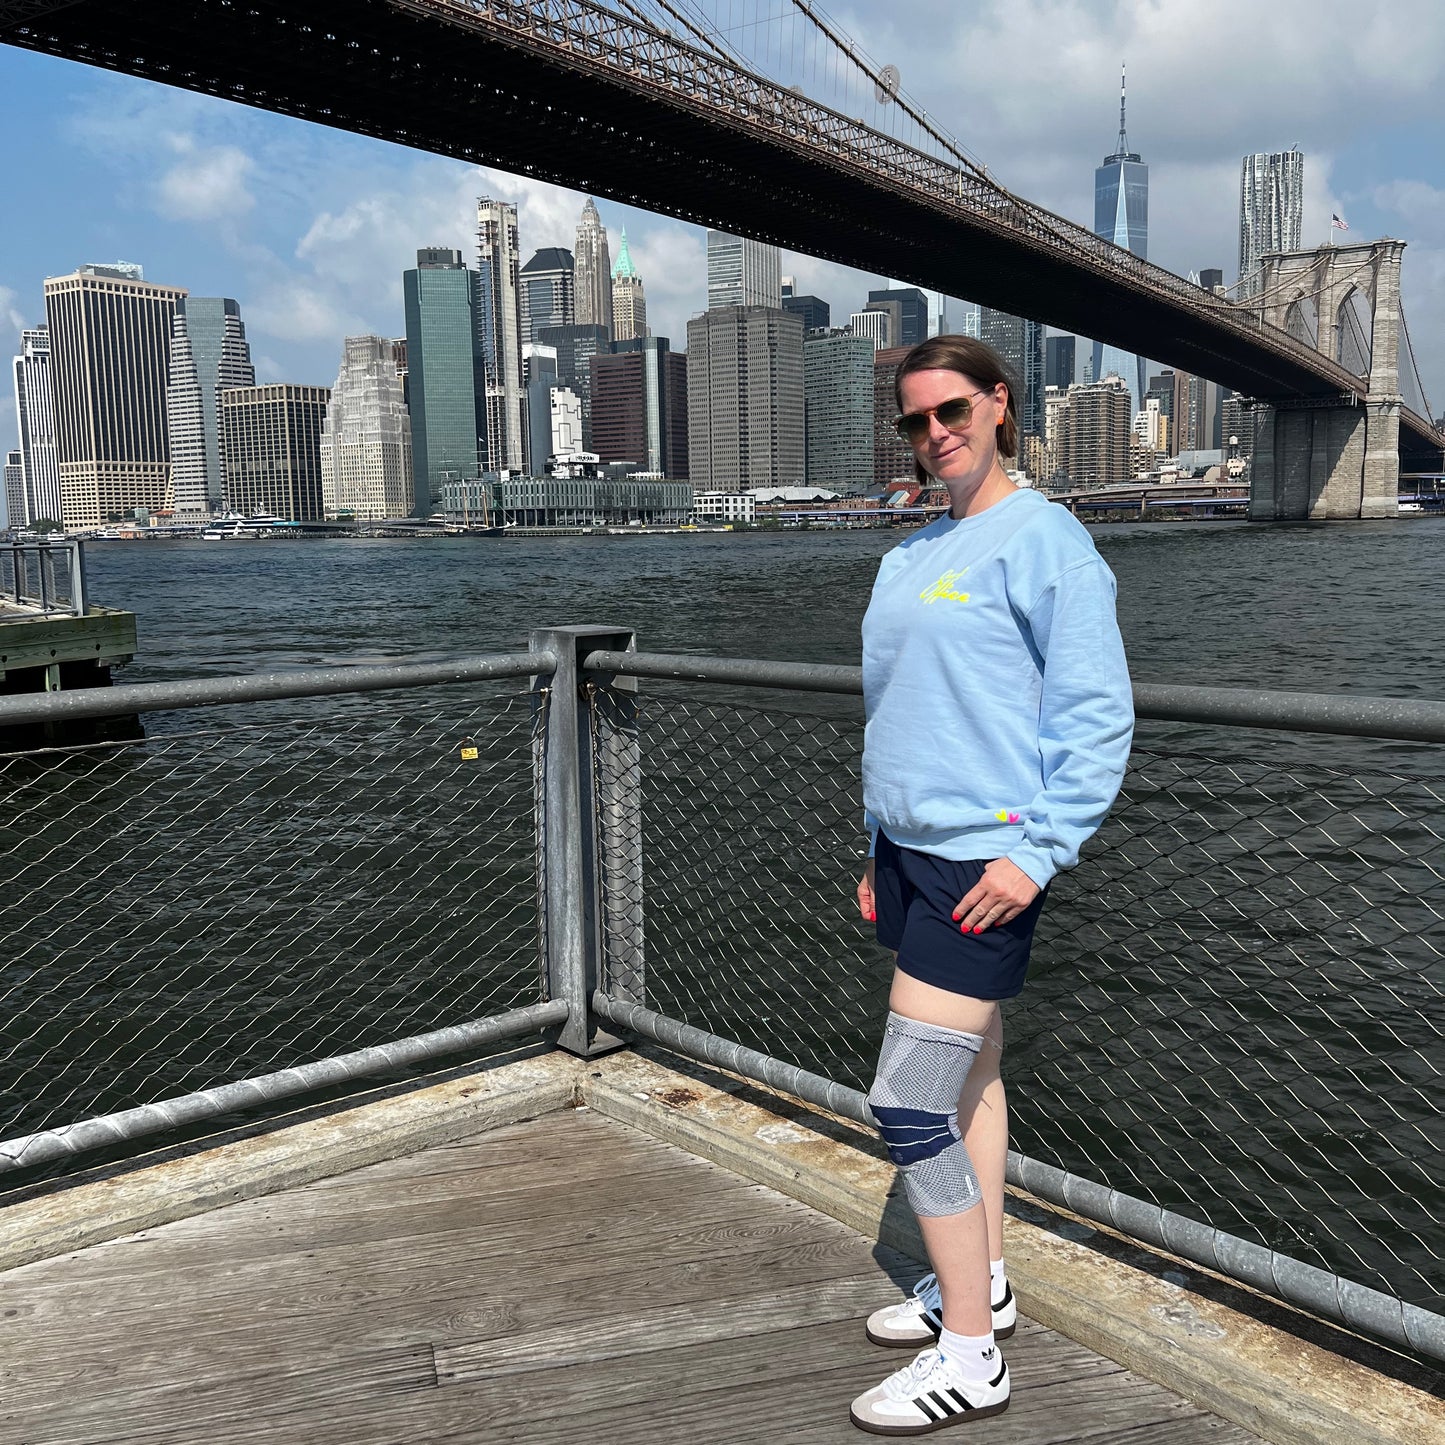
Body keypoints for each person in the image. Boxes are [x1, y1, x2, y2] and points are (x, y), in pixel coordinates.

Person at [848, 335, 1133, 1435]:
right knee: (970, 1075)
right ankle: (987, 1283)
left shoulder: (1046, 541)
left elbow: (1093, 715)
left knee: (906, 1100)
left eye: (952, 410)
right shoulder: (914, 549)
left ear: (998, 404)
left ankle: (971, 1354)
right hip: (909, 852)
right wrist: (877, 841)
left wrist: (1037, 853)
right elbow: (900, 706)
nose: (934, 434)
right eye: (915, 421)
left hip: (985, 860)